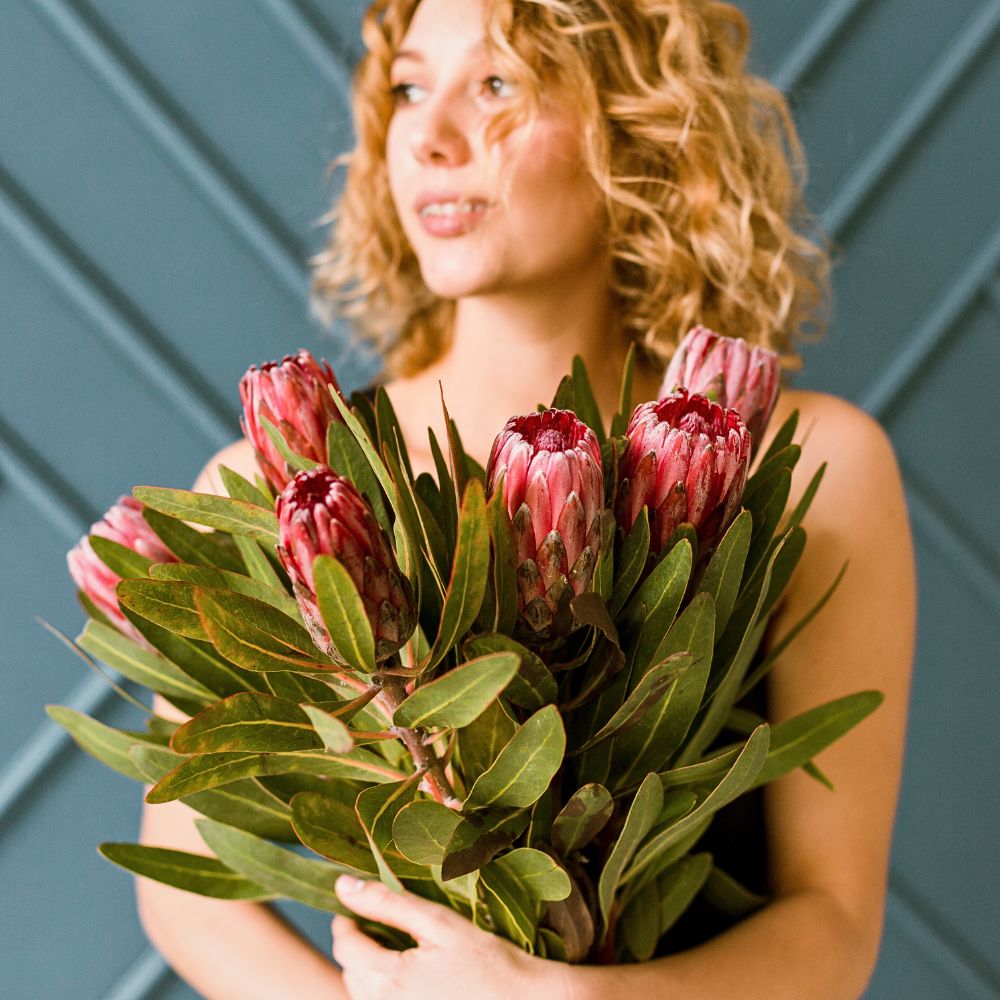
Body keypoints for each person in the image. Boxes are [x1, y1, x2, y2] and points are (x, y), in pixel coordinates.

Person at [137, 0, 917, 997]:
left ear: (633, 124)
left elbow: (834, 924)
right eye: (410, 88)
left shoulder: (817, 467)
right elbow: (186, 882)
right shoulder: (278, 487)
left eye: (498, 85)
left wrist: (567, 998)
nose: (430, 135)